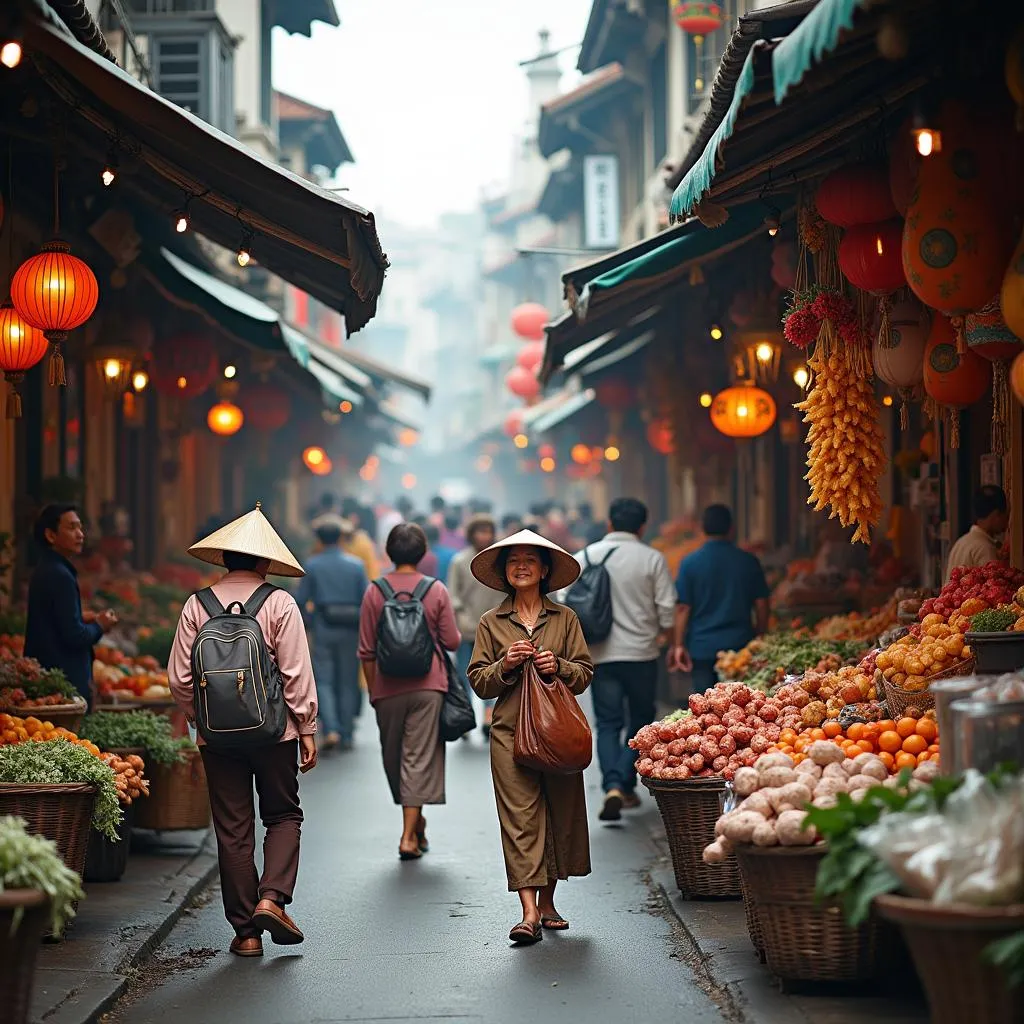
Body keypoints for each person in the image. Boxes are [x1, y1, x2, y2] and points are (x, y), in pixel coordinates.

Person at [167, 504, 318, 958]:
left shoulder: (197, 605)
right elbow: (295, 673)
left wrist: (202, 719)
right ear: (266, 562)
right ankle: (271, 898)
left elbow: (178, 678)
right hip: (276, 734)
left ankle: (246, 933)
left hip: (217, 739)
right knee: (283, 816)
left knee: (233, 829)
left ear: (224, 558)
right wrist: (306, 725)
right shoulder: (279, 603)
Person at [468, 530, 594, 945]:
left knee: (559, 813)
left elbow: (584, 674)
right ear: (505, 573)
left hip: (557, 734)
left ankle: (549, 902)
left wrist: (557, 665)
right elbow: (479, 681)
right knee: (520, 819)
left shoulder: (565, 619)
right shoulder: (491, 622)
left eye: (529, 560)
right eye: (512, 561)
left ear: (544, 570)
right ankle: (527, 912)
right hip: (508, 734)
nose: (520, 566)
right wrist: (505, 665)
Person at [358, 523, 460, 860]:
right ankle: (413, 827)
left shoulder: (375, 591)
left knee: (393, 759)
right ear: (423, 553)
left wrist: (374, 691)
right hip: (428, 687)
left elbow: (366, 650)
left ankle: (407, 835)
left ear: (388, 552)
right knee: (416, 758)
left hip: (387, 688)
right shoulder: (436, 590)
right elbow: (452, 641)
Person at [571, 498, 675, 822]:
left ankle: (612, 785)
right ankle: (625, 783)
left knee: (607, 723)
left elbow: (564, 601)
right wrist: (664, 636)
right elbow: (667, 608)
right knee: (641, 719)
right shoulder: (652, 558)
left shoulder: (583, 557)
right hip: (642, 654)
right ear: (643, 526)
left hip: (599, 654)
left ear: (609, 524)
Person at [24, 504, 118, 707]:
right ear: (50, 535)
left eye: (81, 528)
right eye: (72, 528)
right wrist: (101, 624)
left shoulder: (49, 568)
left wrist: (81, 617)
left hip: (51, 678)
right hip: (63, 683)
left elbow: (54, 621)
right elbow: (75, 636)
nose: (80, 534)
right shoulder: (59, 575)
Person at [669, 505, 770, 694]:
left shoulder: (690, 563)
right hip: (740, 646)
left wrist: (678, 644)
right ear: (731, 528)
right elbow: (762, 602)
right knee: (738, 707)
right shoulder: (748, 561)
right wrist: (761, 634)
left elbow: (683, 607)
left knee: (705, 707)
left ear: (702, 528)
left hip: (702, 646)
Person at [297, 516, 369, 751]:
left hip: (324, 627)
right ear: (340, 537)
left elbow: (300, 600)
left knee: (324, 680)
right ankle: (347, 733)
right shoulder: (356, 565)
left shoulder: (313, 564)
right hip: (351, 628)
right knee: (348, 681)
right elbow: (367, 600)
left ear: (319, 539)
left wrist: (309, 622)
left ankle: (331, 729)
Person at [447, 515, 499, 732]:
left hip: (494, 627)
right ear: (471, 534)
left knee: (494, 673)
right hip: (466, 626)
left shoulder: (499, 559)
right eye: (480, 531)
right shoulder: (459, 561)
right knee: (465, 674)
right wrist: (460, 615)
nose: (484, 536)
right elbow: (453, 594)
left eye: (488, 531)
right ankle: (466, 714)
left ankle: (489, 716)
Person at [945, 485, 1009, 583]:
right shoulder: (985, 548)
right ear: (996, 514)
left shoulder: (961, 542)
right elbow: (993, 588)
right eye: (1006, 514)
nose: (1007, 520)